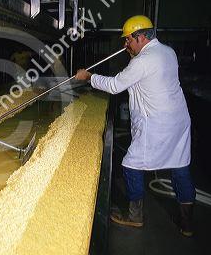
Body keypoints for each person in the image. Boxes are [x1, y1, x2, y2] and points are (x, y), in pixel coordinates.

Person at [75, 15, 196, 237]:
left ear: (140, 37)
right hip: (178, 122)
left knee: (131, 164)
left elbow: (114, 86)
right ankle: (187, 224)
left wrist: (89, 76)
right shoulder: (168, 52)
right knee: (180, 166)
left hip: (157, 124)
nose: (125, 45)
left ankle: (134, 216)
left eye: (128, 40)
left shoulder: (142, 61)